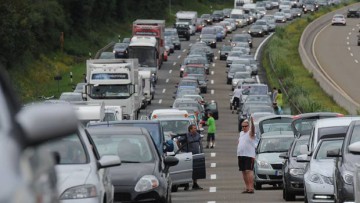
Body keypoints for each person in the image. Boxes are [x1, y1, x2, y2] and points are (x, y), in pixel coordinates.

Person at [177, 124, 203, 190]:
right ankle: (186, 184)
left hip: (196, 155)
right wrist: (182, 149)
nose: (195, 129)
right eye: (194, 128)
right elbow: (178, 141)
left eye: (195, 128)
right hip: (188, 156)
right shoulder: (186, 136)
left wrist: (201, 152)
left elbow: (200, 143)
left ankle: (195, 184)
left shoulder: (198, 135)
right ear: (190, 129)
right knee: (187, 170)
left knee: (196, 170)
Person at [237, 117, 257, 194]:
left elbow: (253, 130)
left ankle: (251, 187)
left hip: (249, 155)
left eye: (246, 126)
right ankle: (247, 187)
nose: (244, 128)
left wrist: (252, 122)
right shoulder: (241, 133)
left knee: (249, 170)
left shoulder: (250, 133)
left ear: (248, 126)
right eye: (243, 126)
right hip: (241, 155)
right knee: (243, 171)